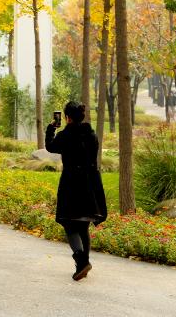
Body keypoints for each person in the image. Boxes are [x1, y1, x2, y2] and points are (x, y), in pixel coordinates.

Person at [45, 101, 107, 281]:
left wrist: (51, 129)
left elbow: (51, 147)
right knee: (83, 225)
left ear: (67, 118)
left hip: (72, 183)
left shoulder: (66, 135)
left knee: (68, 222)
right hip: (90, 183)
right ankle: (84, 264)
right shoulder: (91, 134)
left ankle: (81, 262)